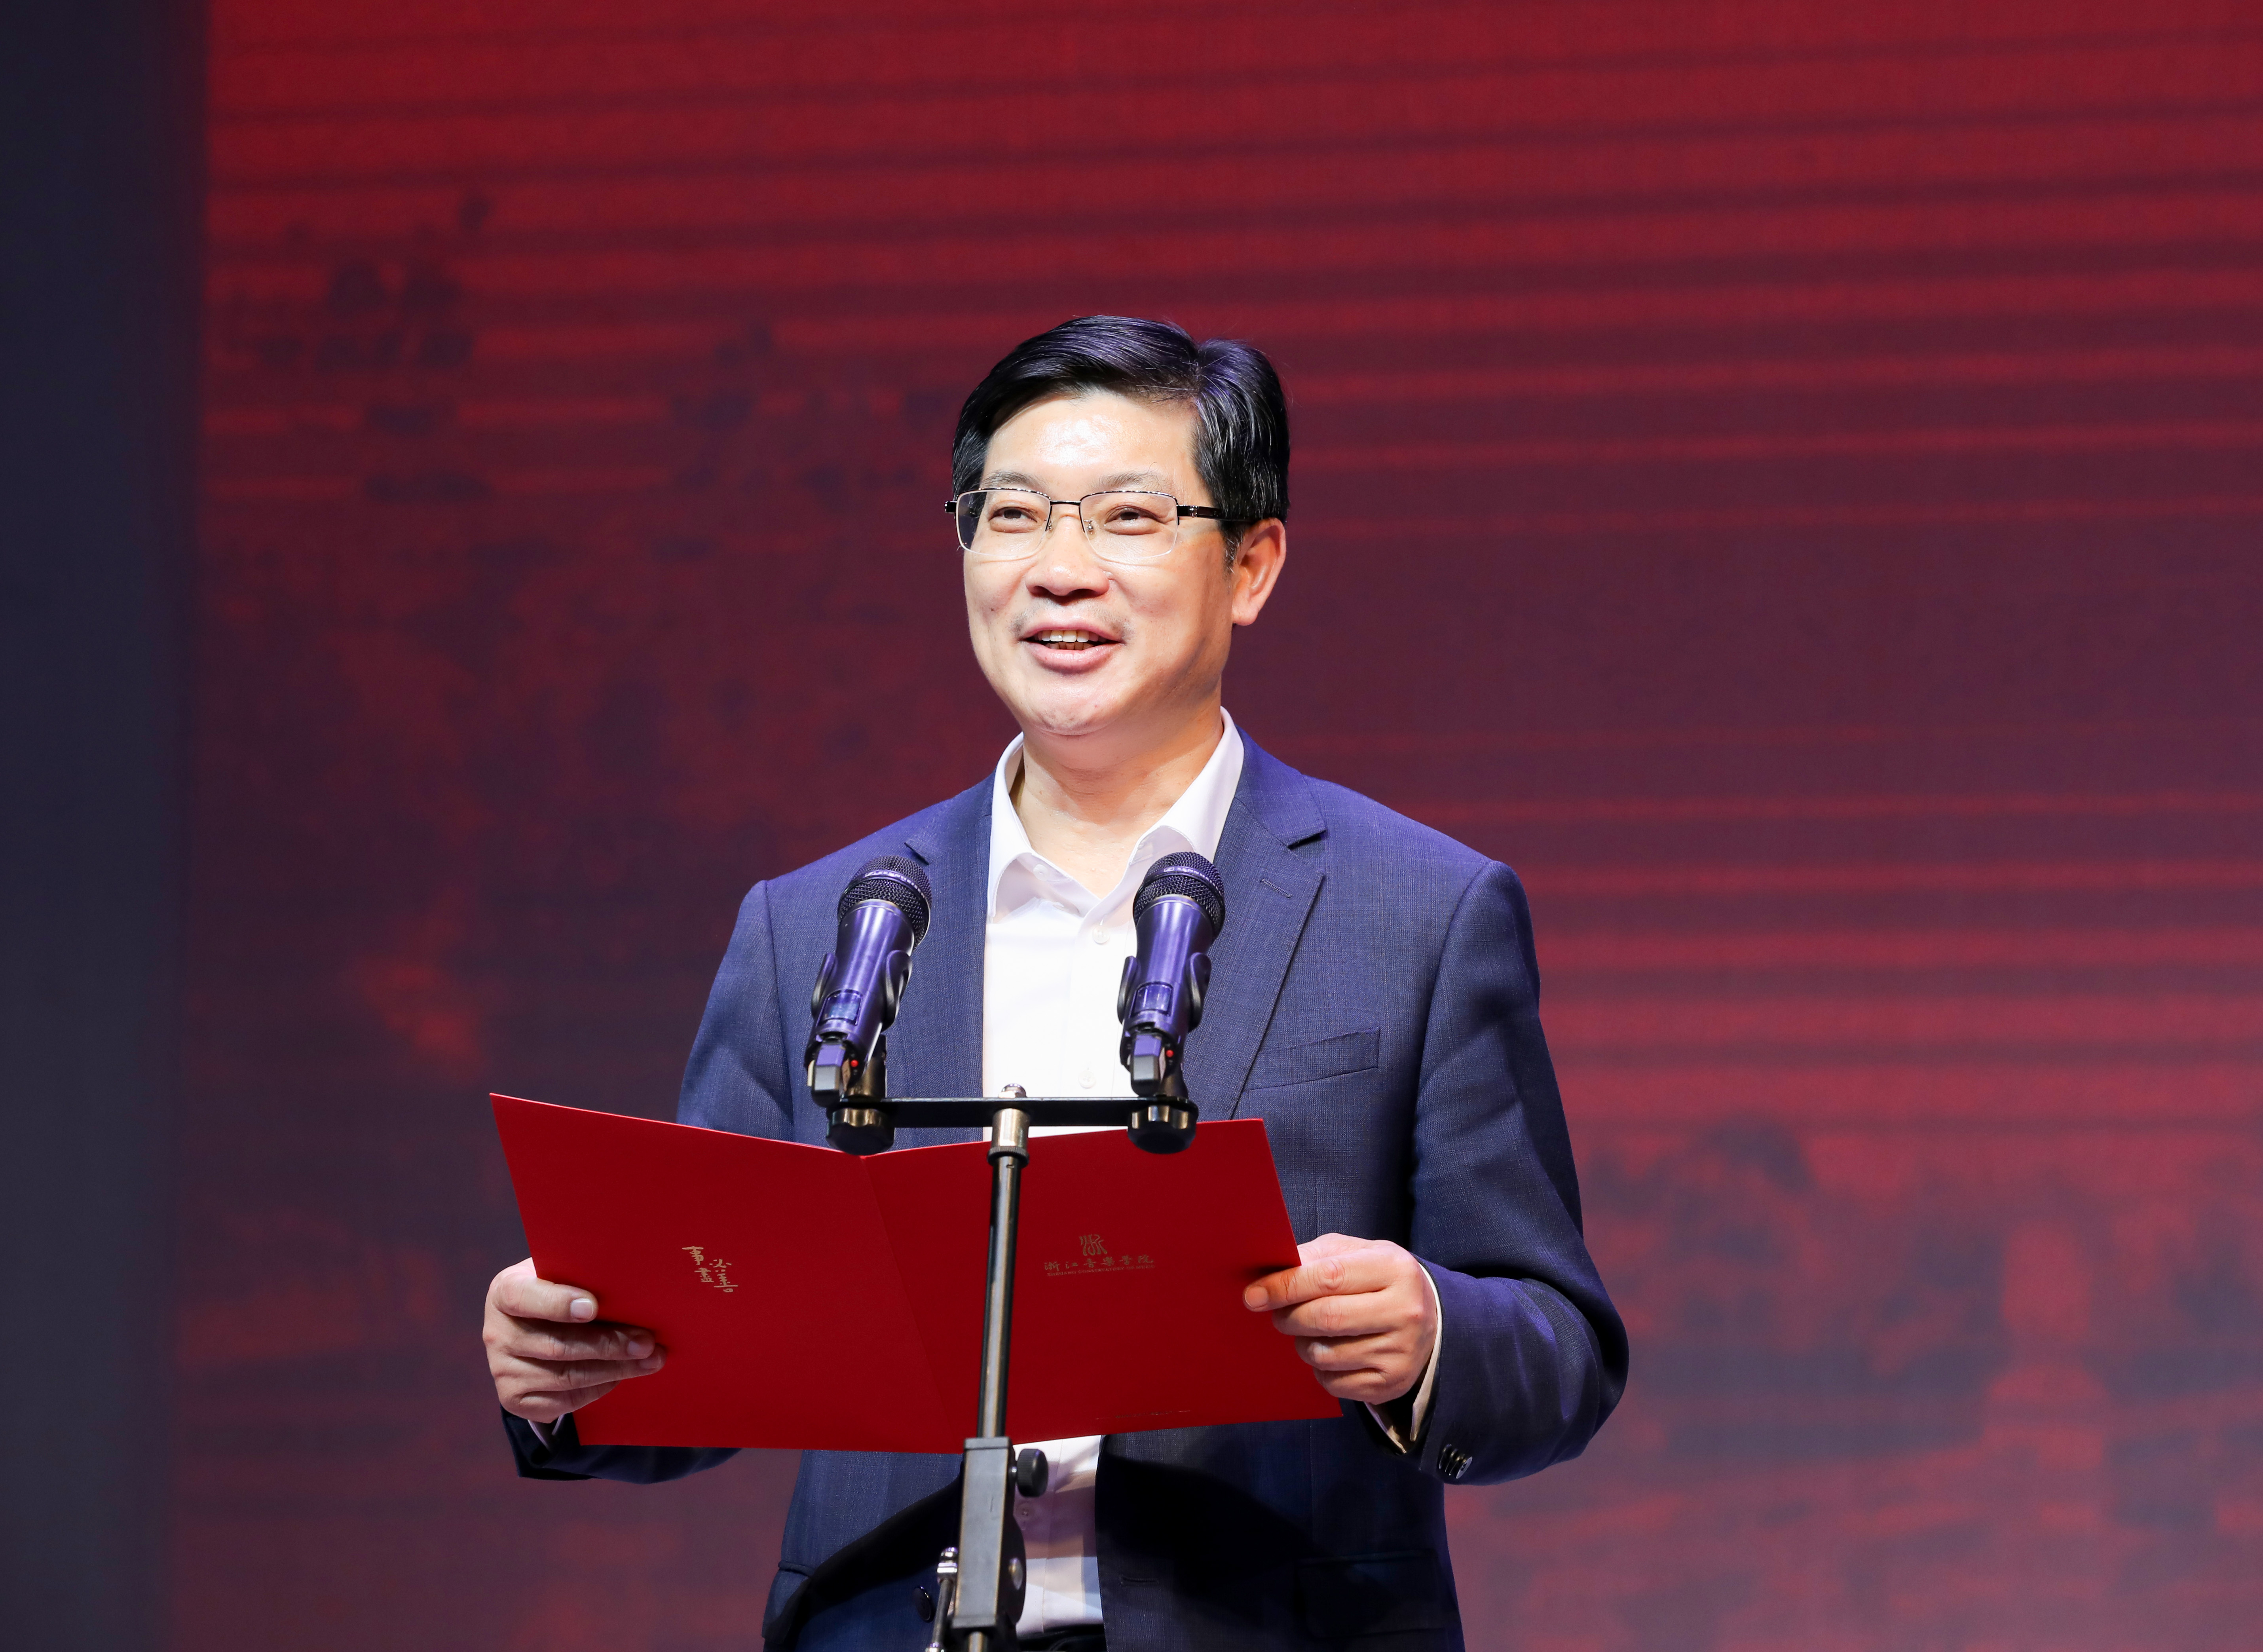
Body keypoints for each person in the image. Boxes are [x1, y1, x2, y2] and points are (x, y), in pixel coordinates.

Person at [480, 316, 1627, 1651]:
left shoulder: (1419, 911)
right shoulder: (820, 924)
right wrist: (568, 1368)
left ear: (1252, 565)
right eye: (1012, 516)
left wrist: (1431, 1334)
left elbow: (1558, 1346)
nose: (1060, 570)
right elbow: (708, 1340)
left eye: (1129, 517)